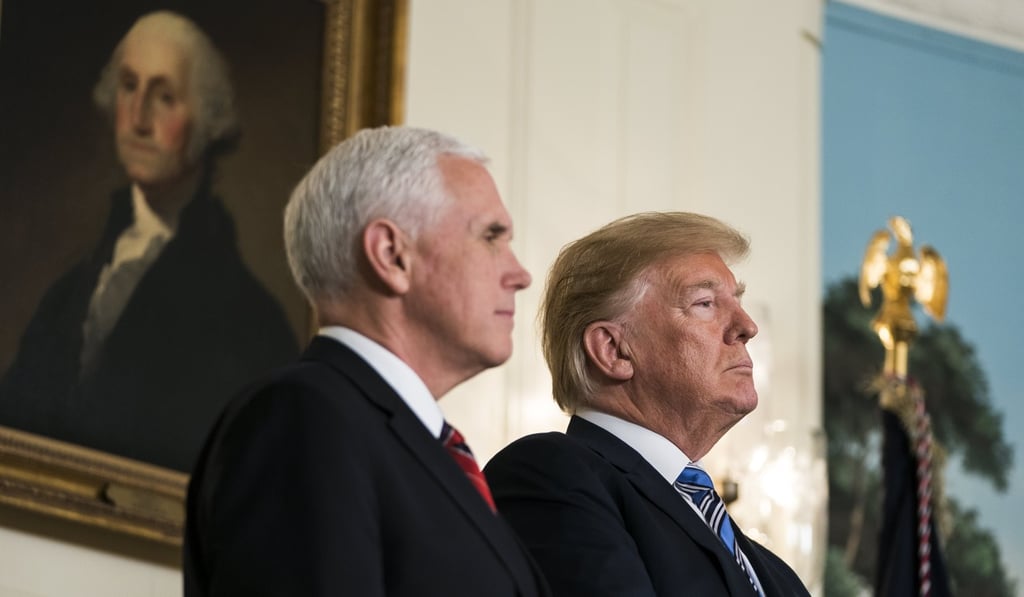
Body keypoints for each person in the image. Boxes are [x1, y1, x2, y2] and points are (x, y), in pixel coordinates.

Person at [184, 126, 548, 596]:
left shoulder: (408, 443)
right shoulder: (303, 418)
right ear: (391, 255)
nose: (520, 274)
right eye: (491, 237)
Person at [0, 11, 297, 471]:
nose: (138, 118)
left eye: (164, 97)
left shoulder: (247, 320)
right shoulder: (69, 292)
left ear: (207, 120)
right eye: (128, 86)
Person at [484, 212, 810, 596]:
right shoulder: (549, 475)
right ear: (613, 349)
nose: (747, 326)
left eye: (737, 300)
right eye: (704, 303)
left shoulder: (770, 569)